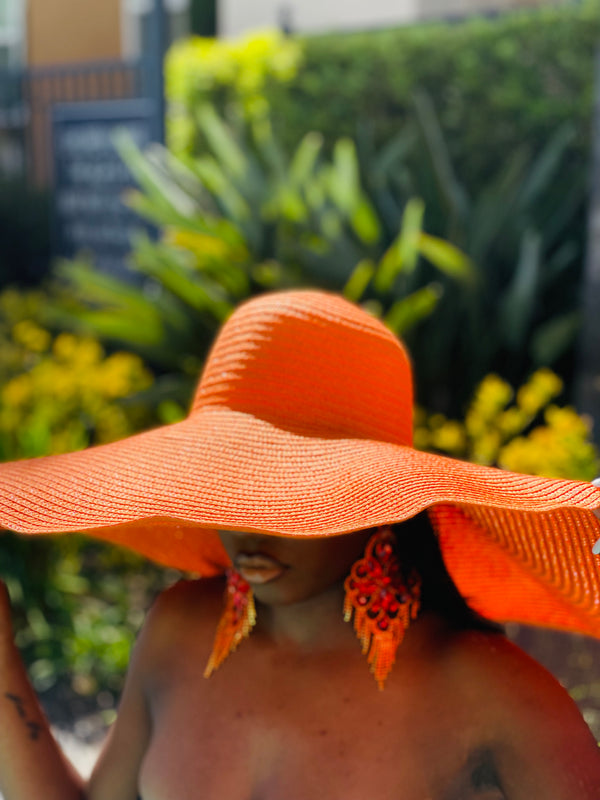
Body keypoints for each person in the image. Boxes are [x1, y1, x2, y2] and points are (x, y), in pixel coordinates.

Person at [1, 289, 600, 800]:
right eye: (224, 484)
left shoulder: (486, 691)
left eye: (288, 492)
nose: (247, 524)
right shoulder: (178, 630)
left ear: (382, 499)